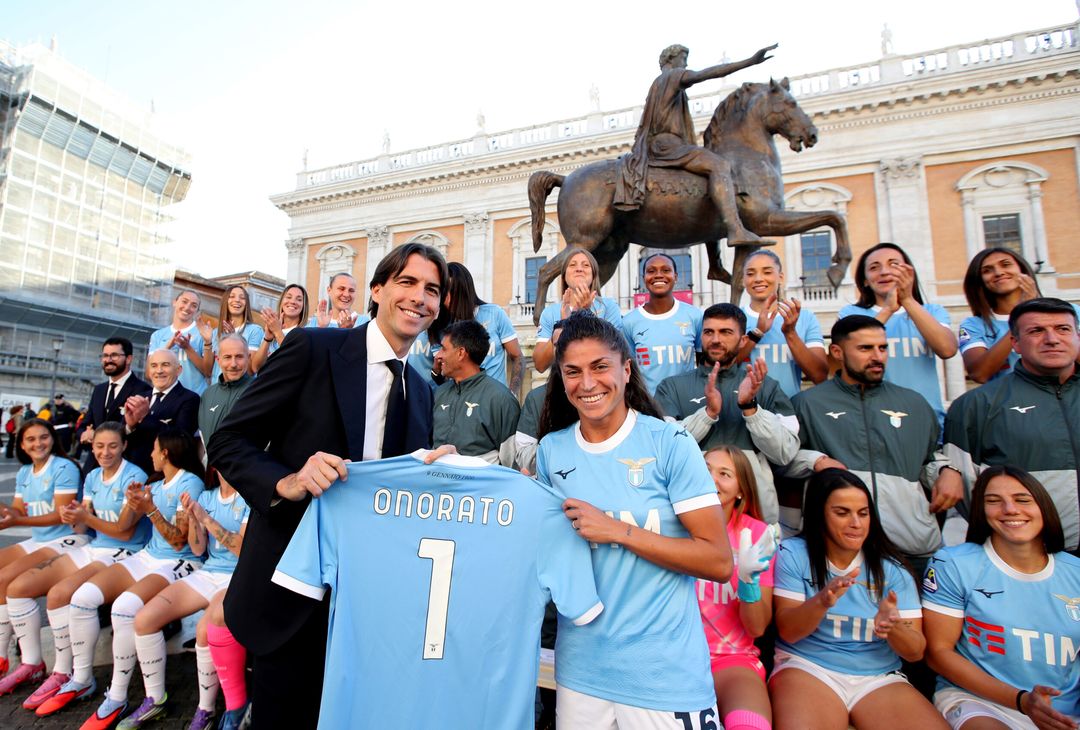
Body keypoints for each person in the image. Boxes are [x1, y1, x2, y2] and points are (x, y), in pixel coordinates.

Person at [208, 242, 448, 727]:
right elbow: (229, 439)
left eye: (432, 290)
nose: (419, 298)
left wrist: (434, 477)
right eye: (407, 282)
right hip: (292, 599)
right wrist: (288, 481)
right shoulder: (312, 349)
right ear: (377, 290)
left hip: (368, 607)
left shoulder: (423, 392)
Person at [534, 311, 732, 727]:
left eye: (600, 367)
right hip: (582, 673)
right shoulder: (552, 450)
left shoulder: (670, 442)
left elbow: (718, 561)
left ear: (626, 369)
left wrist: (619, 531)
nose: (587, 384)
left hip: (665, 675)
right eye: (572, 371)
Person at [770, 468, 947, 730]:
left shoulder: (894, 570)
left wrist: (893, 626)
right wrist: (822, 601)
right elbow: (788, 631)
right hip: (807, 665)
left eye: (863, 513)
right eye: (842, 513)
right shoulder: (794, 554)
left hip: (878, 676)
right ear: (819, 514)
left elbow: (915, 651)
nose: (856, 523)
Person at [923, 466, 1080, 730]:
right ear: (981, 512)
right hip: (982, 703)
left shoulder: (1074, 572)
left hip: (1061, 712)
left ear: (1043, 506)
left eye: (1022, 500)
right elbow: (938, 653)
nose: (1010, 509)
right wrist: (1020, 701)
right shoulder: (953, 563)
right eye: (994, 501)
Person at [69, 428, 205, 730]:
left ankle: (128, 696)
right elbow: (125, 525)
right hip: (147, 556)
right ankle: (80, 679)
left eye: (154, 450)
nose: (151, 455)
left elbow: (180, 541)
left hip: (179, 561)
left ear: (166, 452)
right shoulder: (155, 482)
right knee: (81, 598)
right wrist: (133, 502)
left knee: (124, 608)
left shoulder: (190, 483)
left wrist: (151, 509)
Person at [786, 315, 947, 564]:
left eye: (882, 348)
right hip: (837, 551)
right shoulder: (808, 404)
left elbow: (929, 460)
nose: (877, 356)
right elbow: (782, 459)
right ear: (837, 352)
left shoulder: (914, 403)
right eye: (865, 348)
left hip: (911, 546)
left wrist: (948, 471)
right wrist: (815, 460)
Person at [21, 422, 149, 716]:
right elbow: (83, 522)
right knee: (54, 595)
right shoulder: (91, 475)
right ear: (92, 447)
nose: (105, 452)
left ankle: (82, 677)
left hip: (124, 551)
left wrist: (85, 519)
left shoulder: (134, 476)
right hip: (95, 546)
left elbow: (125, 532)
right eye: (100, 446)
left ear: (124, 446)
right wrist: (72, 517)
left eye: (113, 446)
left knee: (72, 595)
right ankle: (63, 672)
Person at [939, 297, 1080, 553]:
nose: (1052, 338)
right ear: (1014, 343)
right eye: (1036, 331)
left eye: (1063, 329)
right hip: (1029, 557)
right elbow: (966, 491)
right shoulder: (975, 406)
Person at [613, 43, 773, 249]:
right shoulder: (672, 76)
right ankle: (735, 229)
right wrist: (749, 62)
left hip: (662, 144)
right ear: (671, 59)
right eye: (683, 57)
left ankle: (715, 264)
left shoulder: (658, 83)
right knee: (719, 166)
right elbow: (705, 74)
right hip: (668, 145)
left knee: (705, 186)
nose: (686, 63)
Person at [656, 303, 799, 526]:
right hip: (689, 515)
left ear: (743, 340)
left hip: (754, 520)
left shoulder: (766, 386)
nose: (715, 339)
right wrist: (708, 414)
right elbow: (664, 450)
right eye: (709, 332)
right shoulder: (672, 387)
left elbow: (784, 453)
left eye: (726, 332)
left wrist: (750, 407)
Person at [126, 474, 249, 730]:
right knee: (144, 619)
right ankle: (155, 699)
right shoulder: (206, 496)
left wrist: (206, 518)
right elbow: (196, 548)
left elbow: (242, 548)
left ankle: (206, 710)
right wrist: (194, 520)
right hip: (209, 572)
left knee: (205, 630)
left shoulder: (248, 495)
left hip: (239, 575)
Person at [0, 419, 86, 694]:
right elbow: (17, 512)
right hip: (39, 540)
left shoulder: (64, 467)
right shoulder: (25, 471)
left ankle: (32, 663)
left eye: (43, 437)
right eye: (31, 440)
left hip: (66, 539)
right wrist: (7, 515)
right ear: (22, 445)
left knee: (11, 582)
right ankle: (3, 656)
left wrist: (15, 522)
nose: (38, 444)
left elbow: (60, 516)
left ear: (53, 438)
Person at [696, 446, 778, 730]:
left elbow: (756, 629)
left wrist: (748, 583)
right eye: (705, 469)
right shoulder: (672, 524)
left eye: (724, 474)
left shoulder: (755, 534)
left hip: (733, 659)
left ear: (741, 490)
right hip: (675, 654)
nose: (711, 479)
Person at [840, 242, 958, 428]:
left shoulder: (932, 311)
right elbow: (849, 352)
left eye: (893, 264)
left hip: (924, 418)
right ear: (865, 280)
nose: (885, 272)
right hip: (872, 420)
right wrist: (887, 310)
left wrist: (908, 300)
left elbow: (947, 349)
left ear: (908, 272)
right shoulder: (850, 313)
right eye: (874, 268)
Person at [958, 247, 1074, 383]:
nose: (998, 272)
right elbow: (979, 374)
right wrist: (1022, 313)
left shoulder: (1069, 312)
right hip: (1010, 402)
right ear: (979, 281)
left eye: (1006, 264)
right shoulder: (974, 325)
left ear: (1022, 270)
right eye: (987, 270)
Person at [739, 249, 828, 398]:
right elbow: (724, 366)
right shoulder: (735, 319)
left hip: (789, 411)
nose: (758, 279)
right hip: (744, 411)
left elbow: (820, 376)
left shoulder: (804, 318)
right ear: (743, 280)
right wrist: (758, 332)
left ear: (780, 277)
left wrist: (790, 333)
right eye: (750, 273)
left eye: (767, 272)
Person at [432, 320, 520, 464]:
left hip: (483, 486)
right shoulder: (439, 394)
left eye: (444, 349)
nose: (438, 356)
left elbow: (512, 464)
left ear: (461, 353)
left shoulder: (501, 399)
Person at [427, 262, 525, 393]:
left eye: (449, 291)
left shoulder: (494, 314)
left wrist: (512, 394)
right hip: (460, 404)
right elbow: (443, 377)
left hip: (494, 402)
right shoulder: (438, 326)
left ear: (463, 290)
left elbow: (517, 357)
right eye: (441, 292)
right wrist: (436, 372)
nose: (444, 298)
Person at [622, 253, 703, 394]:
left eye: (666, 270)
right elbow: (629, 369)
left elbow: (704, 364)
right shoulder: (629, 322)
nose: (658, 275)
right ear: (644, 279)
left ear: (676, 277)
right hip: (649, 406)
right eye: (651, 271)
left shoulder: (695, 316)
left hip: (686, 402)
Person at [532, 249, 623, 373]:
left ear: (593, 274)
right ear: (564, 276)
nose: (579, 269)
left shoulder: (609, 307)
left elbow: (615, 351)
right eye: (572, 265)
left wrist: (586, 315)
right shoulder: (550, 312)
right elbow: (540, 365)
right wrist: (562, 326)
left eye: (586, 265)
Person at [78, 338, 152, 474]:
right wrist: (84, 433)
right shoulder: (99, 390)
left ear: (129, 359)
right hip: (93, 467)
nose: (108, 360)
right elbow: (86, 423)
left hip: (126, 466)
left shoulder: (143, 390)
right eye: (105, 356)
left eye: (114, 355)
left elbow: (141, 431)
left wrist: (98, 436)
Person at [122, 349, 200, 476]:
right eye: (154, 366)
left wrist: (145, 417)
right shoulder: (139, 397)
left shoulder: (190, 399)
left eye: (165, 365)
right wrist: (130, 426)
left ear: (179, 370)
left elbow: (180, 441)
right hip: (132, 472)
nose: (159, 371)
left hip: (162, 476)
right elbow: (122, 439)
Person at [193, 285, 265, 383]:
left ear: (246, 304)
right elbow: (208, 372)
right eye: (232, 296)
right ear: (225, 301)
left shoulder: (255, 330)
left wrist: (234, 338)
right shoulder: (214, 333)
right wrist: (207, 342)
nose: (237, 300)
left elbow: (251, 371)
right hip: (218, 390)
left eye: (242, 298)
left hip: (242, 392)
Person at [148, 289, 209, 396]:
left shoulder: (203, 333)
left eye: (194, 305)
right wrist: (167, 347)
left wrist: (187, 348)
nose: (187, 307)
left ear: (197, 311)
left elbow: (208, 371)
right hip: (164, 398)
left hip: (194, 397)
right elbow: (149, 373)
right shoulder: (158, 335)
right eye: (184, 302)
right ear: (174, 302)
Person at [197, 335, 253, 450]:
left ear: (249, 357)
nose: (233, 364)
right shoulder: (208, 395)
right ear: (218, 360)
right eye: (227, 357)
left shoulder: (259, 390)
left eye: (239, 357)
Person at [251, 283, 309, 372]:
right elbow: (256, 368)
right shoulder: (272, 328)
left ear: (304, 305)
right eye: (288, 297)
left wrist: (277, 332)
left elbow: (296, 362)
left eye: (299, 299)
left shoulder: (306, 331)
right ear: (282, 301)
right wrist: (267, 338)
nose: (293, 302)